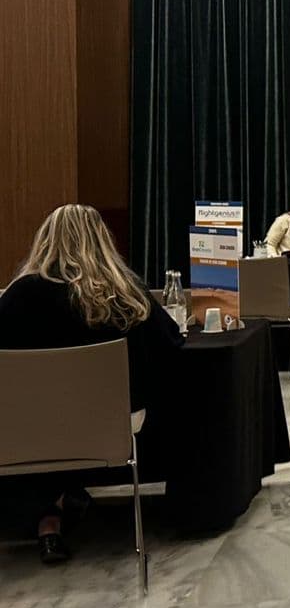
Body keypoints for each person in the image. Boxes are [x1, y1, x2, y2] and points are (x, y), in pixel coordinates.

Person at [0, 205, 183, 564]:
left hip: (30, 435)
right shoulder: (125, 294)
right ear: (102, 241)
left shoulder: (18, 297)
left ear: (45, 241)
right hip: (110, 429)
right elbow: (171, 345)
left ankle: (49, 514)